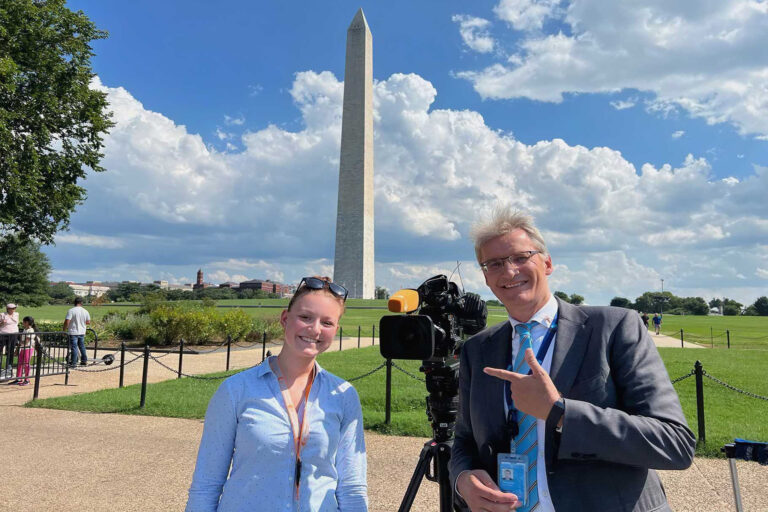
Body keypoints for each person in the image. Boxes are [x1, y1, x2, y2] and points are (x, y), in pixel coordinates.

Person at [449, 207, 695, 512]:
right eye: (495, 263)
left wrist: (560, 412)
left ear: (547, 262)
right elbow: (464, 442)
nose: (509, 271)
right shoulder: (478, 349)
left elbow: (674, 443)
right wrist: (463, 479)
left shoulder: (614, 328)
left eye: (521, 257)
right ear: (486, 277)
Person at [186, 276, 368, 511]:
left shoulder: (343, 395)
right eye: (305, 317)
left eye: (327, 322)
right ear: (285, 319)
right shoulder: (236, 390)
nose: (314, 329)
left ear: (335, 330)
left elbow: (352, 486)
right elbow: (207, 483)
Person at [64, 297, 91, 366]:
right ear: (81, 303)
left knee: (74, 347)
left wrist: (64, 330)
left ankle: (73, 362)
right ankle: (84, 361)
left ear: (75, 302)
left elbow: (67, 321)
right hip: (82, 331)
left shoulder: (71, 311)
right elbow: (88, 322)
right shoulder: (85, 311)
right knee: (82, 347)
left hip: (73, 331)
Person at [14, 316, 39, 386]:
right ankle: (18, 378)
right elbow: (23, 341)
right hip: (23, 348)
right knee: (20, 363)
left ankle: (27, 379)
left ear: (27, 322)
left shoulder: (30, 330)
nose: (23, 323)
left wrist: (19, 343)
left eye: (23, 322)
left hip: (28, 348)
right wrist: (18, 348)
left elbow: (26, 341)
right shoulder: (25, 330)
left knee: (26, 364)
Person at [1, 303, 20, 376]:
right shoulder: (2, 314)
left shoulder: (16, 314)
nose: (13, 310)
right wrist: (2, 322)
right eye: (11, 308)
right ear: (7, 308)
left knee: (10, 351)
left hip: (13, 334)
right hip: (3, 334)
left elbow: (15, 322)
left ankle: (9, 367)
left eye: (14, 308)